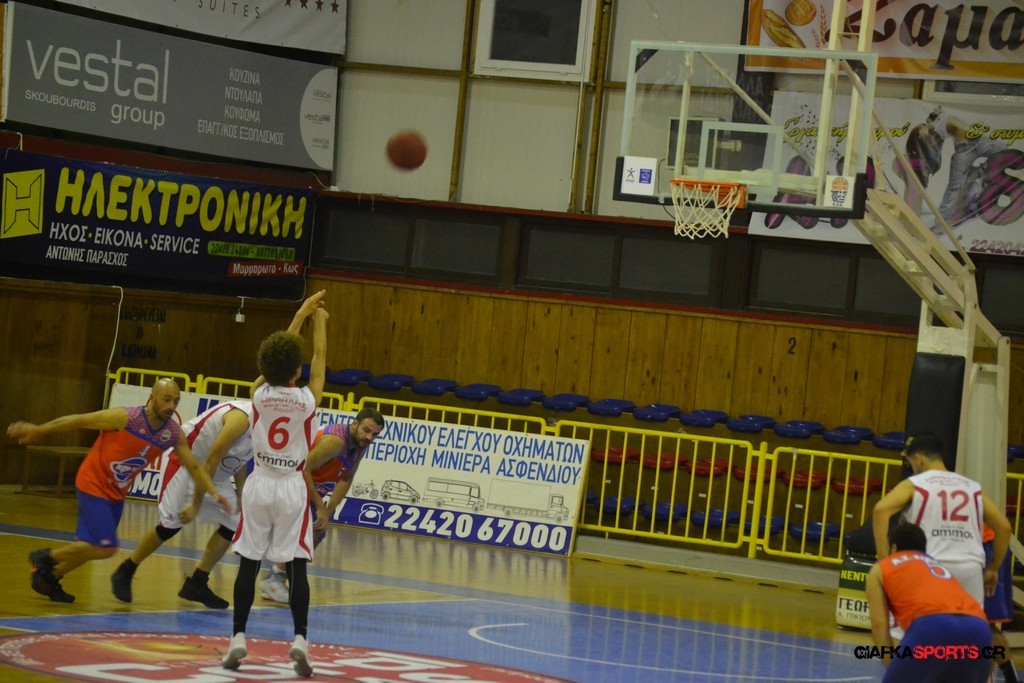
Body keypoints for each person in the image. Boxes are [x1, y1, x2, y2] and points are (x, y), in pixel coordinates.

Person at [7, 378, 230, 604]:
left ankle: (48, 578)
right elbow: (78, 420)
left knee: (90, 546)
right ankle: (45, 557)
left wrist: (213, 492)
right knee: (106, 548)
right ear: (151, 399)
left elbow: (193, 466)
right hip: (93, 484)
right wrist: (39, 430)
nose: (171, 406)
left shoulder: (172, 433)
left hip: (116, 492)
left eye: (176, 401)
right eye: (166, 400)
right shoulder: (125, 418)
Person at [222, 291, 327, 677]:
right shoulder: (307, 400)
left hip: (260, 482)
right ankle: (300, 639)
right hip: (291, 486)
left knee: (249, 563)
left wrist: (299, 315)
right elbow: (320, 363)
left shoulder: (259, 394)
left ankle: (237, 637)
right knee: (296, 565)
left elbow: (274, 361)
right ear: (297, 371)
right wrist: (320, 324)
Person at [873, 432, 1016, 682]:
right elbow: (1004, 527)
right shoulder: (971, 486)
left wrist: (885, 559)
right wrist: (993, 568)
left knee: (906, 635)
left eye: (911, 462)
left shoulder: (916, 483)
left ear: (919, 459)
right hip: (971, 568)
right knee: (975, 645)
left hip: (932, 568)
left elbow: (881, 509)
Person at [110, 400, 253, 609]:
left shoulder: (265, 423)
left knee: (234, 521)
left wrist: (241, 494)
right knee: (171, 525)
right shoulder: (240, 417)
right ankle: (126, 569)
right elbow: (210, 461)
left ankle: (197, 582)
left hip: (215, 473)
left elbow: (240, 459)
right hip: (188, 465)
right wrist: (195, 504)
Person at [259, 408, 386, 603]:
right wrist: (320, 508)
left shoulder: (360, 444)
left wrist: (328, 511)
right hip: (288, 481)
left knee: (316, 530)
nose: (369, 437)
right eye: (366, 430)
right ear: (354, 424)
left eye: (375, 434)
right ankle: (274, 579)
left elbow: (347, 478)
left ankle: (276, 577)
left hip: (304, 487)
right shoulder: (335, 442)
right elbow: (302, 469)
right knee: (308, 531)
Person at [865, 522, 992, 682]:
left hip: (933, 627)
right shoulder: (937, 565)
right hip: (978, 628)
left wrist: (892, 666)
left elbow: (879, 625)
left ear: (894, 548)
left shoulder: (882, 567)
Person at [926, 106, 1007, 231]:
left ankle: (979, 172)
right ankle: (942, 219)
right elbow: (938, 129)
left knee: (1007, 154)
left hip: (980, 141)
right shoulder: (941, 123)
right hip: (964, 149)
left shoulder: (943, 119)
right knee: (954, 186)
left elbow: (940, 119)